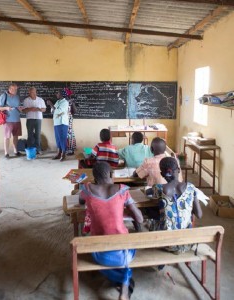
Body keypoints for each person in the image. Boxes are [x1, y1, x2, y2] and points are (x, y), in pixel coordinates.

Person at [79, 162, 143, 300]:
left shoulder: (87, 189)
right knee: (128, 248)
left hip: (99, 253)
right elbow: (140, 219)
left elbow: (80, 201)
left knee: (106, 256)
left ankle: (121, 282)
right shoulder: (122, 190)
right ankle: (125, 285)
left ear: (94, 177)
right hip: (123, 255)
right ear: (111, 174)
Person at [150, 157, 202, 253]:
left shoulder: (158, 188)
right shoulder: (191, 188)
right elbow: (199, 214)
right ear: (178, 170)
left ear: (162, 174)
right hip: (187, 243)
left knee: (151, 219)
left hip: (166, 243)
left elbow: (153, 200)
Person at [0, 83, 23, 158]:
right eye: (12, 89)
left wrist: (20, 109)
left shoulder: (17, 97)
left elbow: (18, 107)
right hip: (7, 120)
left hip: (17, 119)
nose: (14, 90)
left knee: (16, 136)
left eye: (16, 89)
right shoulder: (4, 96)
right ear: (9, 89)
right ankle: (6, 153)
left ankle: (16, 151)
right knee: (7, 136)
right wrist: (6, 108)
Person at [47, 88, 69, 161]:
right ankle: (59, 153)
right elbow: (52, 111)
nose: (56, 94)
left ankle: (63, 154)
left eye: (58, 93)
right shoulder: (58, 101)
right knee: (58, 139)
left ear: (62, 95)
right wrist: (52, 107)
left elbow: (59, 111)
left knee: (62, 138)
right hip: (56, 122)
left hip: (62, 123)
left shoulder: (65, 102)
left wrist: (51, 104)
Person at [23, 87, 46, 155]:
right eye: (31, 92)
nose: (33, 93)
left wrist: (38, 109)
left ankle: (38, 149)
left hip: (38, 119)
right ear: (29, 93)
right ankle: (30, 149)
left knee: (37, 135)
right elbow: (24, 111)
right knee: (30, 135)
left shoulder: (40, 100)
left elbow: (44, 109)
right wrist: (30, 109)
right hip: (30, 119)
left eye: (34, 92)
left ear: (36, 92)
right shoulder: (26, 100)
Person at [65, 88, 77, 156]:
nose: (68, 96)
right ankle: (66, 149)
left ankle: (70, 149)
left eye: (68, 94)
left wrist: (72, 103)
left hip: (69, 119)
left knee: (69, 133)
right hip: (63, 119)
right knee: (65, 134)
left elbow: (75, 111)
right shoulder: (62, 101)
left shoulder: (71, 101)